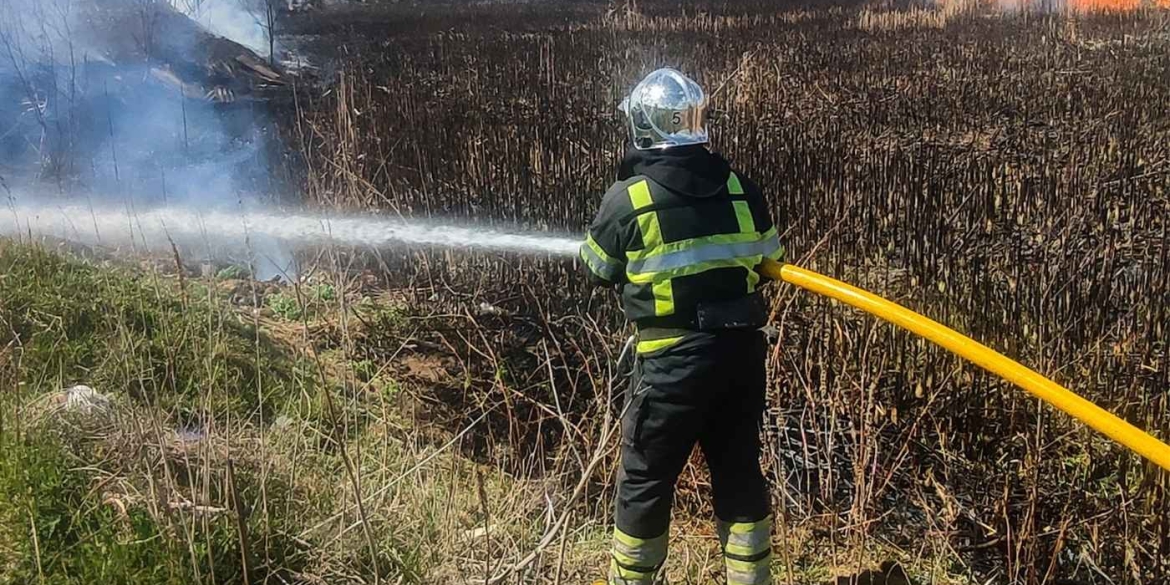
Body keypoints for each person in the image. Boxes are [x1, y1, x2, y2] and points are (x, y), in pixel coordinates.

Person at [580, 68, 783, 585]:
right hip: (740, 361)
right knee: (739, 473)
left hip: (670, 369)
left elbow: (597, 268)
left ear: (645, 127)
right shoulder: (741, 189)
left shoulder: (629, 199)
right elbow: (769, 258)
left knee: (646, 482)